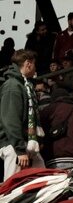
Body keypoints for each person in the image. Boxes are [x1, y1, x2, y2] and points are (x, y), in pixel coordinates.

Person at [0, 51, 42, 179]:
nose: (36, 68)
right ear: (28, 64)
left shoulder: (25, 85)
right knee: (13, 188)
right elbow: (10, 120)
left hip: (26, 144)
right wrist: (19, 149)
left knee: (41, 178)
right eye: (34, 64)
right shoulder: (12, 85)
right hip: (14, 146)